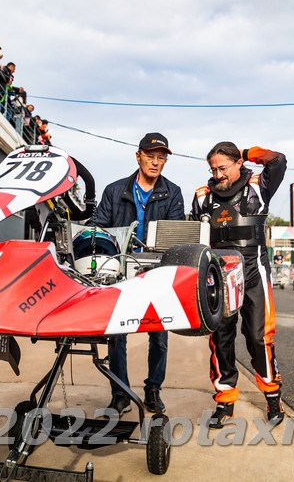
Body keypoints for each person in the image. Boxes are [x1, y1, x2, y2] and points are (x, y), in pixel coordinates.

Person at [191, 141, 287, 429]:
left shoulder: (259, 185)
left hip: (254, 271)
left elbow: (278, 160)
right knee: (220, 340)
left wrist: (247, 154)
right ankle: (225, 401)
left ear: (238, 165)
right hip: (219, 276)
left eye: (222, 167)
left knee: (258, 337)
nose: (217, 174)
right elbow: (195, 237)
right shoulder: (202, 196)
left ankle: (272, 396)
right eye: (213, 169)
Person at [96, 132, 185, 415]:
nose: (155, 163)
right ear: (138, 157)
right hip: (121, 268)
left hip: (157, 269)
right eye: (150, 156)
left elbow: (178, 235)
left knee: (159, 331)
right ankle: (120, 393)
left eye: (161, 158)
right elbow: (98, 226)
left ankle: (153, 389)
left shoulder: (173, 193)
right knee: (117, 332)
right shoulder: (114, 190)